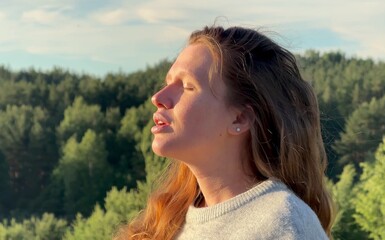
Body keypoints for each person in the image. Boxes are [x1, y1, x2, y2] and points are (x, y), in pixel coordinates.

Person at [116, 25, 334, 240]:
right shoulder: (167, 222)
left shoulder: (284, 222)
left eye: (188, 86)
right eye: (168, 83)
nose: (158, 98)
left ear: (240, 118)